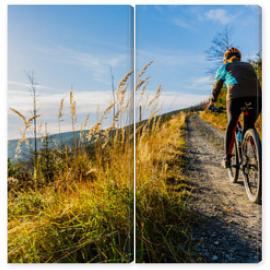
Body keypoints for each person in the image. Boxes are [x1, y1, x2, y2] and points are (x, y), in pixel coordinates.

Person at [209, 47, 262, 168]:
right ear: (239, 57)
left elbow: (216, 88)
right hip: (256, 98)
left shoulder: (225, 67)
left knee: (232, 124)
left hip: (236, 98)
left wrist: (212, 101)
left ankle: (227, 158)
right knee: (250, 126)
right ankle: (258, 156)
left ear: (225, 59)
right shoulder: (248, 65)